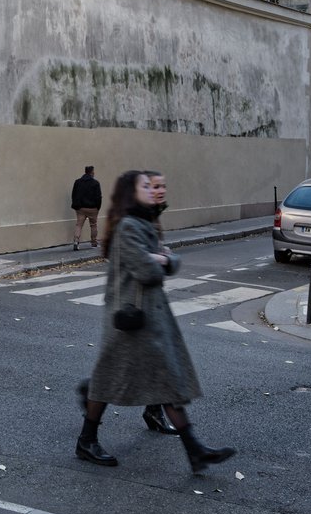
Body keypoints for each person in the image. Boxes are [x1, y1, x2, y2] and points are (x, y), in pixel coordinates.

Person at [75, 169, 235, 474]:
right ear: (130, 192)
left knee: (166, 382)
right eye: (145, 186)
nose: (152, 190)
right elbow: (148, 270)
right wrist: (160, 259)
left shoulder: (143, 222)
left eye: (154, 185)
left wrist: (162, 258)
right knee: (108, 382)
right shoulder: (128, 227)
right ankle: (86, 440)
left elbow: (168, 260)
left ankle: (195, 450)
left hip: (149, 319)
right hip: (129, 321)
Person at [140, 169, 178, 435]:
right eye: (155, 186)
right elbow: (138, 260)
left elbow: (161, 256)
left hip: (151, 302)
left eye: (163, 185)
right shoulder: (138, 218)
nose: (161, 190)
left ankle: (154, 411)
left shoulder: (154, 214)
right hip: (139, 303)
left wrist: (165, 257)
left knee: (152, 363)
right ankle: (92, 393)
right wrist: (162, 259)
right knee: (159, 364)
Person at [70, 166, 102, 249]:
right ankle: (94, 243)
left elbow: (73, 194)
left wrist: (76, 206)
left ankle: (76, 241)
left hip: (80, 208)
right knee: (93, 225)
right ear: (91, 172)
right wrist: (98, 207)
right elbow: (98, 197)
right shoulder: (95, 183)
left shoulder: (77, 182)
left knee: (79, 225)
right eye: (93, 172)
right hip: (93, 208)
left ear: (85, 172)